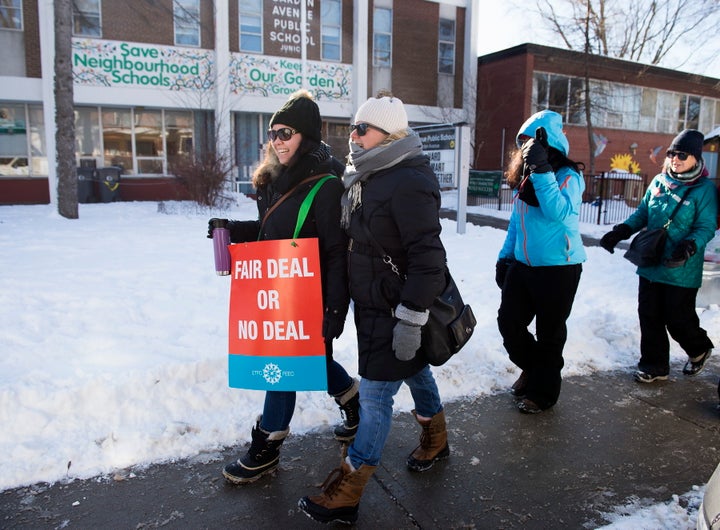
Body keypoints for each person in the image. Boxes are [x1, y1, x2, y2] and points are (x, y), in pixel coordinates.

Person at [297, 93, 449, 524]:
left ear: (390, 133)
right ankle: (436, 437)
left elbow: (428, 259)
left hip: (396, 310)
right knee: (416, 369)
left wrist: (411, 318)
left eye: (363, 129)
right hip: (373, 307)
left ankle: (348, 488)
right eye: (352, 128)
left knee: (377, 397)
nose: (354, 136)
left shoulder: (408, 179)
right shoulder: (363, 175)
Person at [207, 89, 359, 484]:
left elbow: (336, 252)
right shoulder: (275, 178)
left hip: (313, 296)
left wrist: (335, 310)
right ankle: (353, 400)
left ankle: (267, 445)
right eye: (273, 133)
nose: (277, 140)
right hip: (280, 292)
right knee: (309, 361)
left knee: (283, 368)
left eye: (286, 132)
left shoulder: (325, 184)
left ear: (305, 135)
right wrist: (232, 230)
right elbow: (272, 233)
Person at [600, 129, 717, 383]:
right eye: (672, 153)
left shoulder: (704, 189)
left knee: (678, 319)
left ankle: (699, 348)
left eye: (682, 154)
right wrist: (621, 230)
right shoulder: (659, 182)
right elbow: (642, 213)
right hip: (651, 261)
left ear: (696, 158)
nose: (675, 158)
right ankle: (654, 365)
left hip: (681, 266)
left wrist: (689, 245)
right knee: (649, 314)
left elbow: (706, 226)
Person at [495, 110, 586, 414]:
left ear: (550, 143)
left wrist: (543, 170)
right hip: (523, 266)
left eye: (533, 141)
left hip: (559, 267)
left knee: (550, 333)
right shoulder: (527, 179)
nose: (527, 148)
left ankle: (543, 392)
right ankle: (536, 369)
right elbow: (516, 224)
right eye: (524, 143)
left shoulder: (568, 177)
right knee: (509, 323)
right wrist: (504, 258)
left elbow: (558, 212)